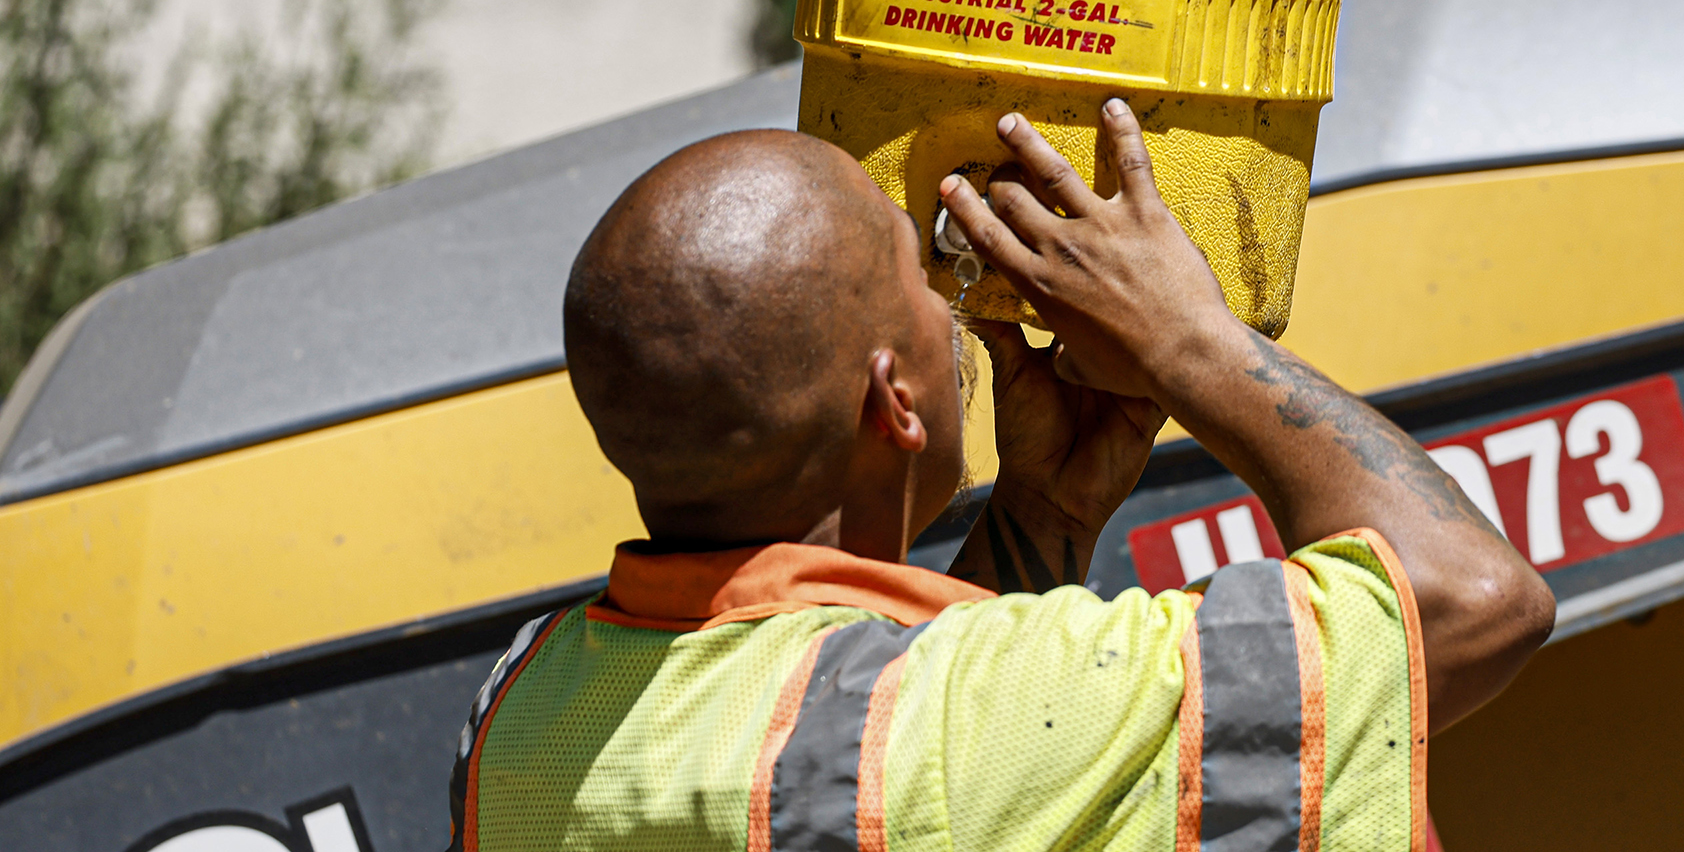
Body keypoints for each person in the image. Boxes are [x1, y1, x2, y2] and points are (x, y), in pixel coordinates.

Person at [446, 100, 1553, 852]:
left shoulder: (519, 715)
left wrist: (1044, 514)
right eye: (918, 273)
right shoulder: (943, 729)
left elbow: (902, 757)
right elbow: (1468, 599)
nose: (950, 302)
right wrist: (1189, 340)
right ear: (895, 402)